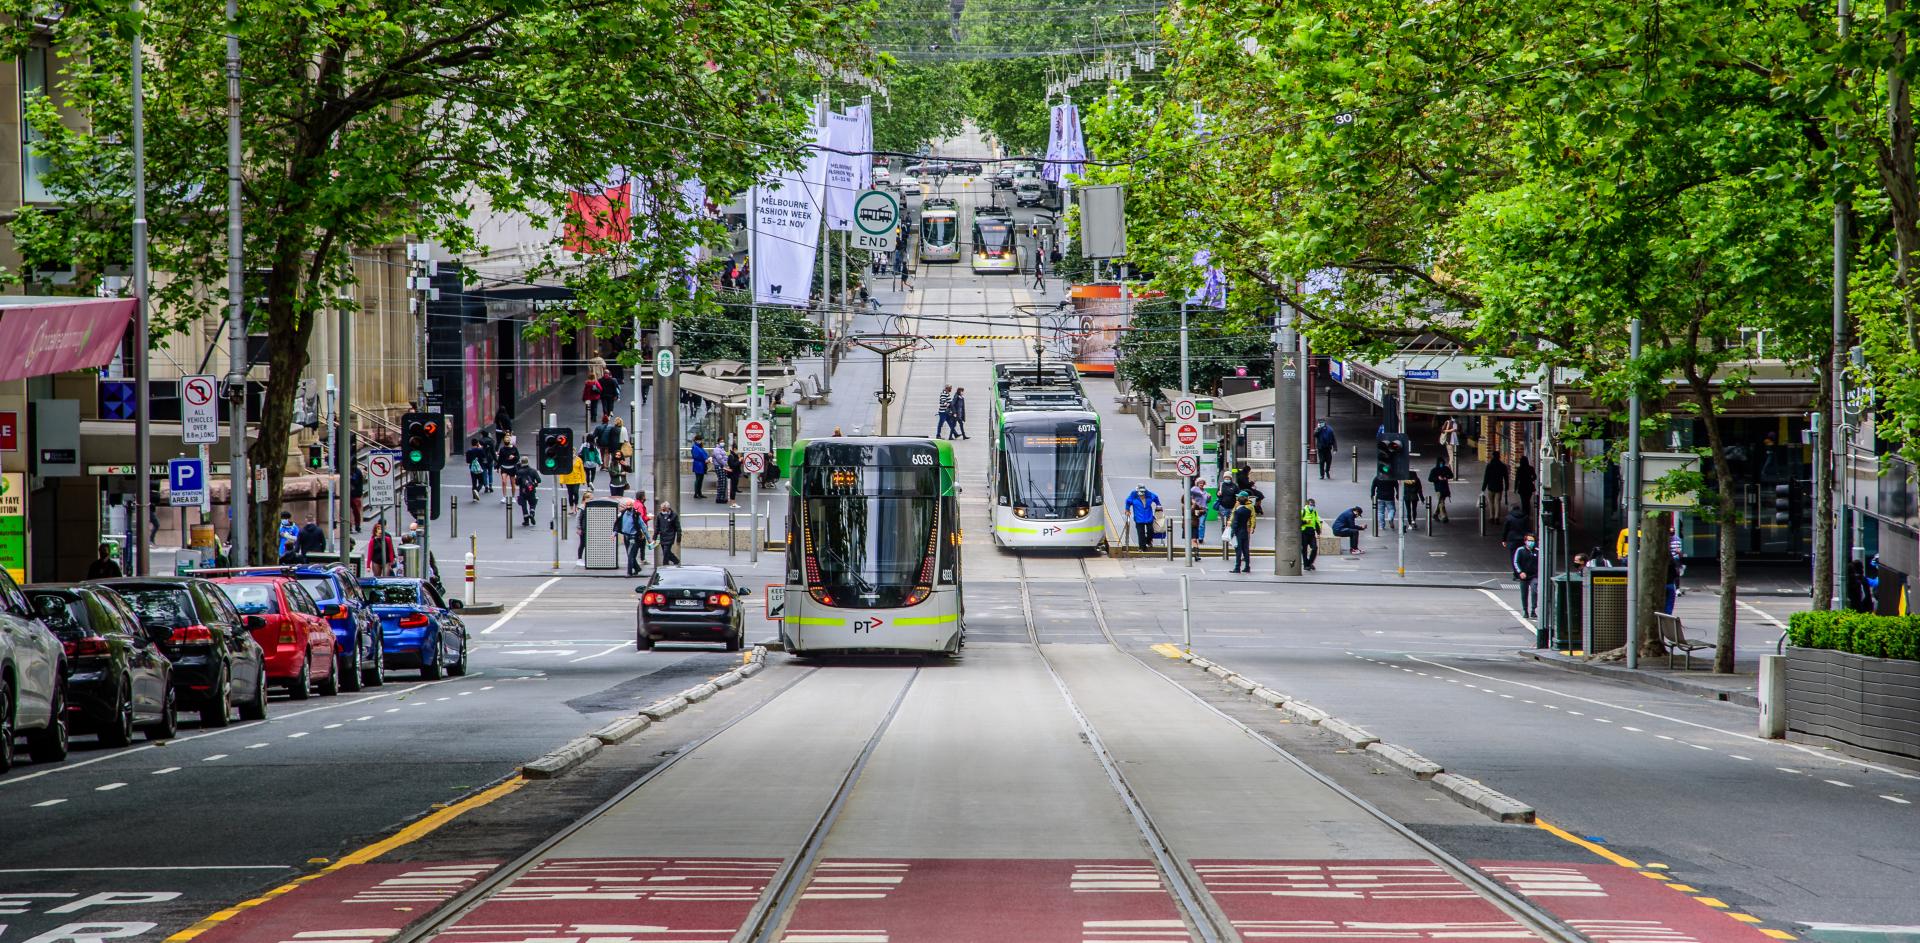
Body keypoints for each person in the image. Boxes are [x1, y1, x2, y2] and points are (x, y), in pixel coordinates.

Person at [616, 498, 649, 575]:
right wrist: (614, 533)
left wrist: (648, 538)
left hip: (633, 537)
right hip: (626, 536)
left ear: (632, 506)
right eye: (627, 505)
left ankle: (629, 572)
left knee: (630, 555)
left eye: (629, 505)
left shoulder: (636, 515)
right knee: (629, 555)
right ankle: (637, 568)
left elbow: (643, 526)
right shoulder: (623, 513)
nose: (628, 507)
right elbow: (618, 524)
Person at [1125, 485, 1162, 551]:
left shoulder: (1149, 495)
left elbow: (1156, 498)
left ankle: (1148, 541)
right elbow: (1128, 502)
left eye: (1142, 494)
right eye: (1140, 494)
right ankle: (1142, 547)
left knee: (1150, 531)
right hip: (1138, 518)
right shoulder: (1133, 495)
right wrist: (1127, 510)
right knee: (1140, 533)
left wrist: (1158, 505)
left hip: (1149, 517)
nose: (1141, 495)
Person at [1513, 534, 1540, 618]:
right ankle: (1525, 610)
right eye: (1529, 540)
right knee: (1524, 593)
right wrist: (1520, 572)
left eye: (1532, 541)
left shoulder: (1538, 551)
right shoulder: (1520, 550)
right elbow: (1516, 562)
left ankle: (1533, 610)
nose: (1531, 542)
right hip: (1524, 576)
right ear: (1525, 541)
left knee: (1534, 591)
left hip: (1534, 575)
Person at [1229, 495, 1256, 573]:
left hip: (1238, 532)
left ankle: (1237, 567)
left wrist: (1232, 532)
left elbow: (1235, 523)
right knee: (1245, 550)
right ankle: (1247, 566)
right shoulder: (1248, 511)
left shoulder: (1237, 511)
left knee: (1238, 550)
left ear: (1239, 502)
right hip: (1245, 530)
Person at [514, 462, 542, 527]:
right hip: (531, 490)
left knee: (523, 505)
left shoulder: (519, 472)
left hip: (523, 491)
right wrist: (534, 484)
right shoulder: (533, 471)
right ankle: (532, 514)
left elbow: (517, 483)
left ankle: (526, 521)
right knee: (533, 503)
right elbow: (539, 480)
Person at [496, 435, 522, 505]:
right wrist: (497, 467)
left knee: (512, 483)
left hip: (512, 467)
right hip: (504, 467)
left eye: (507, 441)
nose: (506, 443)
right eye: (505, 441)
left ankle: (513, 497)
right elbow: (500, 459)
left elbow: (518, 457)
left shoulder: (514, 448)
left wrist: (513, 457)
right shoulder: (502, 449)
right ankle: (504, 497)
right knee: (504, 482)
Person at [655, 501, 681, 565]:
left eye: (663, 509)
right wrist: (654, 537)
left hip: (670, 537)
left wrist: (678, 538)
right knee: (666, 553)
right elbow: (657, 527)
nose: (662, 510)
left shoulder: (674, 516)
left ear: (668, 508)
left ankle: (665, 565)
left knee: (666, 553)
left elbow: (678, 528)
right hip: (662, 537)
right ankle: (676, 561)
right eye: (661, 509)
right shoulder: (659, 516)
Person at [1300, 498, 1322, 571]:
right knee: (1304, 550)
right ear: (1307, 504)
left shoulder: (1314, 512)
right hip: (1304, 533)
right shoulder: (1303, 511)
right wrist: (1306, 522)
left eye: (1313, 505)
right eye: (1311, 505)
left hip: (1312, 533)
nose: (1312, 506)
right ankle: (1306, 565)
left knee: (1315, 548)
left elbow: (1317, 522)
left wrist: (1318, 532)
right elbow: (1297, 522)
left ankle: (1310, 563)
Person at [1188, 478, 1210, 548]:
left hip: (1204, 510)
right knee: (1196, 523)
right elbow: (1188, 495)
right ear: (1197, 483)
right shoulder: (1194, 489)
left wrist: (1209, 497)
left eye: (1203, 483)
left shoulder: (1205, 492)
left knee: (1202, 524)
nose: (1201, 484)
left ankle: (1200, 538)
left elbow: (1207, 501)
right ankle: (1195, 537)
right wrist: (1193, 501)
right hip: (1196, 510)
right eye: (1200, 482)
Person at [350, 462, 367, 530]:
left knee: (356, 511)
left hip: (355, 494)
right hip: (349, 494)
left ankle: (357, 525)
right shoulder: (350, 470)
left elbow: (355, 481)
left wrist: (350, 477)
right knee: (349, 511)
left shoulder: (357, 471)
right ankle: (350, 526)